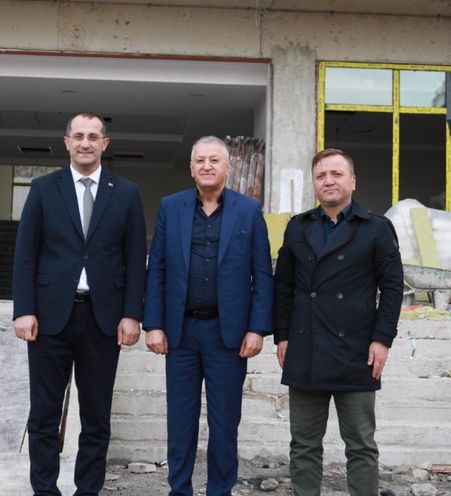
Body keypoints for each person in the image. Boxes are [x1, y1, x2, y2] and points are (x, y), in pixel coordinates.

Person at [12, 112, 148, 496]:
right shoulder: (43, 189)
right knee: (44, 413)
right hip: (49, 317)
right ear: (67, 142)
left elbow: (135, 258)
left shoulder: (126, 193)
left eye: (93, 136)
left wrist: (132, 314)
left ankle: (88, 490)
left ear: (105, 143)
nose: (85, 143)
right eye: (78, 136)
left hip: (102, 319)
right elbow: (25, 254)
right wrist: (24, 309)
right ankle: (45, 489)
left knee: (96, 416)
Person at [144, 136, 274, 496]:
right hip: (181, 333)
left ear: (227, 167)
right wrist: (153, 324)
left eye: (214, 160)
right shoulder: (171, 207)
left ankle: (220, 490)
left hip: (227, 335)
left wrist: (257, 328)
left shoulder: (249, 211)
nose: (206, 166)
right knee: (180, 421)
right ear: (191, 168)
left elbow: (263, 274)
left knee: (224, 422)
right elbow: (156, 269)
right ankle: (179, 489)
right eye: (200, 160)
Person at [272, 148, 404, 496]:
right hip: (306, 347)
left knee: (360, 444)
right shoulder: (298, 226)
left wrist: (382, 339)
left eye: (336, 174)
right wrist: (282, 335)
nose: (328, 181)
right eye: (321, 176)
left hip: (356, 350)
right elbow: (283, 285)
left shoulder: (376, 227)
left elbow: (392, 288)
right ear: (314, 183)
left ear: (353, 181)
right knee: (303, 444)